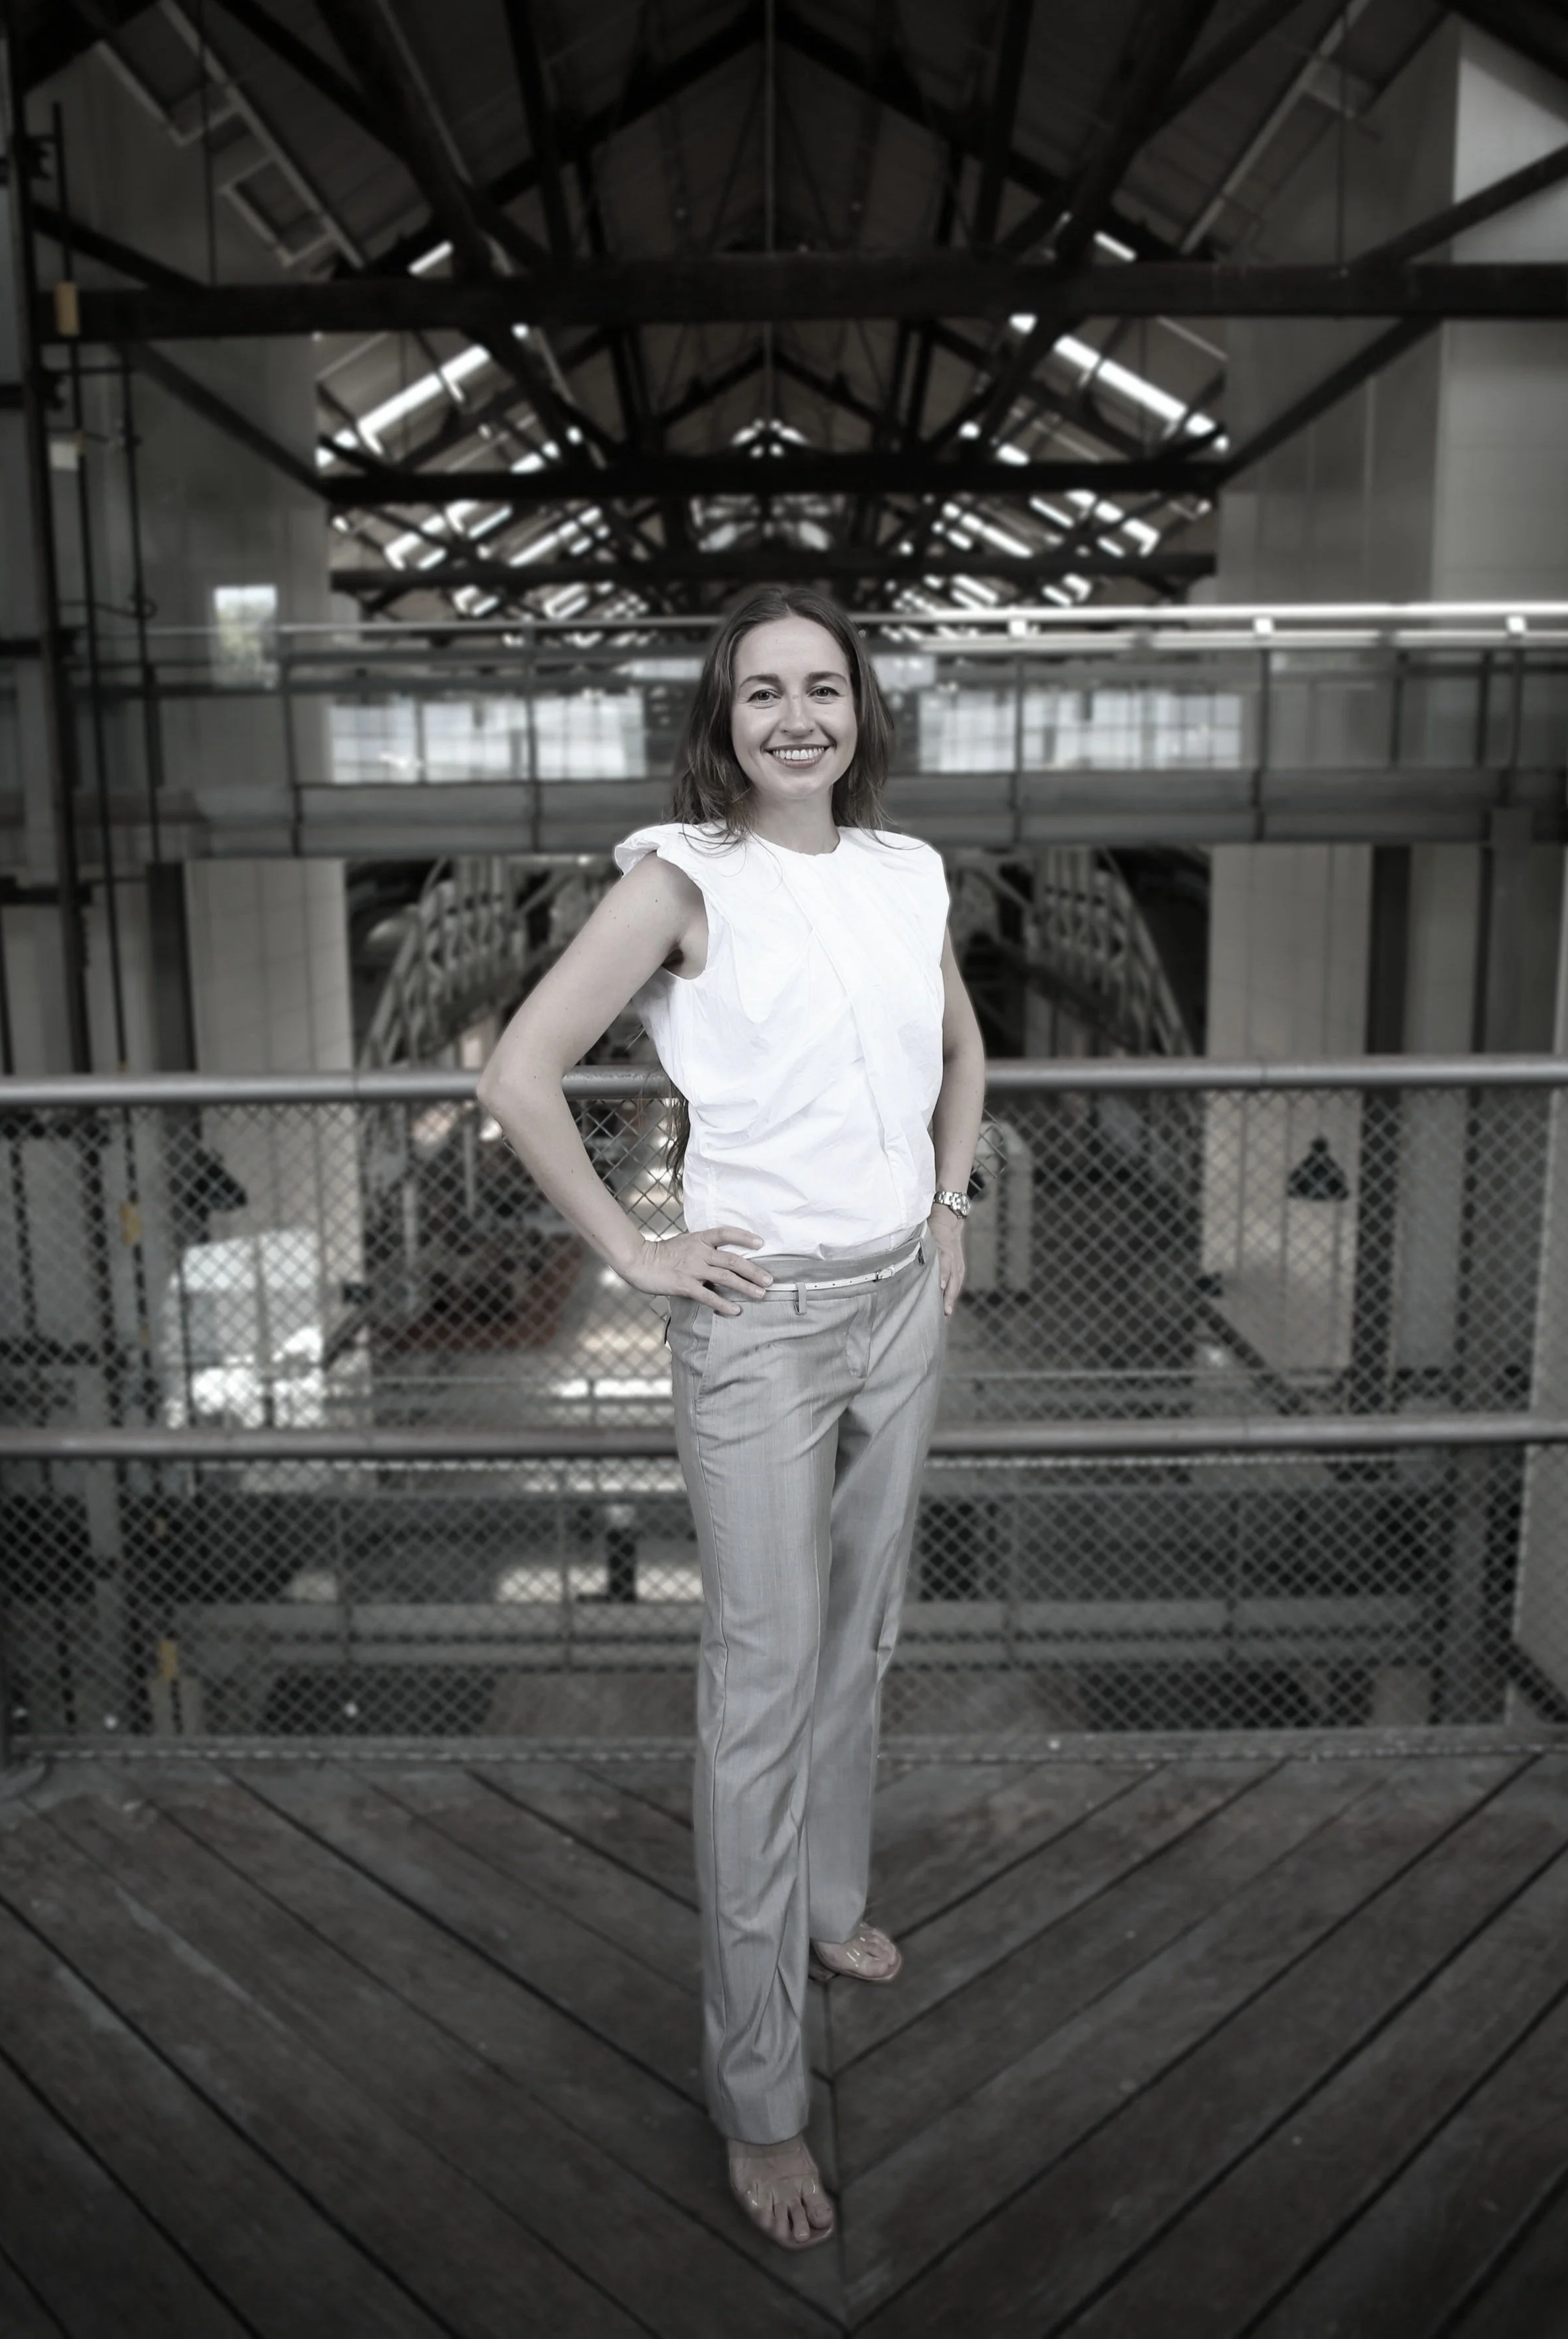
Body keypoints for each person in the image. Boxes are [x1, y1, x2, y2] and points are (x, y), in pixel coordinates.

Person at [478, 585, 985, 2251]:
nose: (793, 718)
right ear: (723, 715)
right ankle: (762, 2095)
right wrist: (637, 1248)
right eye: (760, 691)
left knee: (865, 1631)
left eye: (820, 688)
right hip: (758, 1326)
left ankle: (830, 1907)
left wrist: (951, 1200)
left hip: (898, 1294)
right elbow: (520, 1071)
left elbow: (957, 1050)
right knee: (760, 1692)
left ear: (859, 710)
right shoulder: (680, 878)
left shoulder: (907, 872)